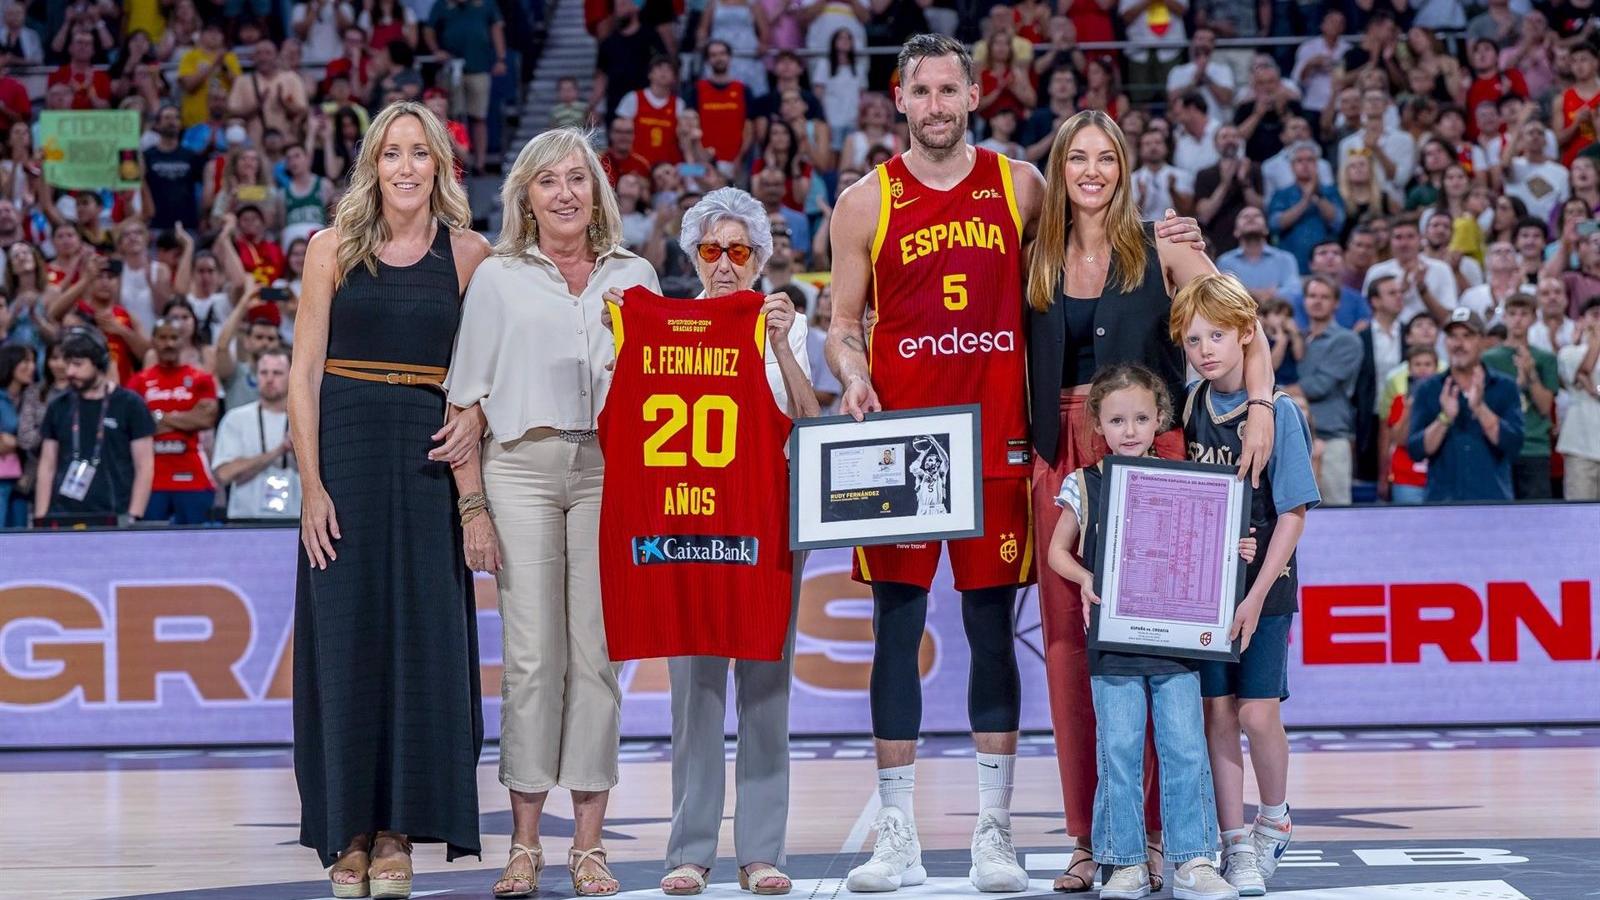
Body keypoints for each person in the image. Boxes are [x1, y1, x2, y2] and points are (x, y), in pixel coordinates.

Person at [1021, 108, 1272, 895]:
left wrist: (1261, 406)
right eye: (1077, 158)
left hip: (1150, 453)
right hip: (1057, 455)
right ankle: (1090, 841)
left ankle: (1166, 838)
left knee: (1163, 650)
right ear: (1059, 167)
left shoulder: (1166, 247)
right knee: (1069, 650)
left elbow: (1243, 327)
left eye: (1106, 157)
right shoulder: (1033, 257)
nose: (1091, 171)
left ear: (1125, 167)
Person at [825, 34, 1047, 895]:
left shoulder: (1020, 186)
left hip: (997, 440)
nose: (938, 104)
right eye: (923, 90)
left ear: (973, 95)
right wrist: (851, 376)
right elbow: (845, 326)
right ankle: (898, 837)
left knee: (992, 633)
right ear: (900, 98)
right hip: (901, 446)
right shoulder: (863, 202)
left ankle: (993, 835)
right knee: (895, 630)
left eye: (950, 89)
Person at [441, 128, 658, 900]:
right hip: (520, 470)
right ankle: (526, 844)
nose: (565, 193)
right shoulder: (497, 278)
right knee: (533, 661)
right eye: (547, 181)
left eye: (577, 178)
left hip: (610, 472)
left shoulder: (637, 275)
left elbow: (666, 384)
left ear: (598, 191)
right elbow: (462, 402)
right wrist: (473, 506)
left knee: (598, 658)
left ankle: (590, 847)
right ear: (524, 199)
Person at [287, 100, 494, 898]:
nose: (405, 167)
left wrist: (472, 412)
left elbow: (484, 365)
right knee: (346, 645)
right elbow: (303, 374)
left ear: (439, 165)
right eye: (390, 153)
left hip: (427, 465)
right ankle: (350, 831)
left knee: (421, 644)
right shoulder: (330, 248)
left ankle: (400, 829)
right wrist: (311, 486)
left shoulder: (472, 254)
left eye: (419, 153)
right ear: (372, 166)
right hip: (345, 458)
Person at [613, 187, 816, 899]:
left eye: (738, 251)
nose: (725, 265)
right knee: (693, 692)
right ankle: (690, 850)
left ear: (760, 258)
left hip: (768, 521)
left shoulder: (782, 321)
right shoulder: (664, 323)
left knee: (766, 685)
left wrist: (779, 343)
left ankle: (762, 851)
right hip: (692, 523)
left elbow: (809, 417)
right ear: (692, 255)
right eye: (710, 250)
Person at [1048, 363, 1247, 900]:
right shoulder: (1083, 484)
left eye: (1140, 418)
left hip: (1176, 640)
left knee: (1184, 746)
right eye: (1117, 420)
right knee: (1119, 748)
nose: (1130, 430)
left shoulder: (1185, 479)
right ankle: (1123, 862)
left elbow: (1212, 545)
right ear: (1098, 425)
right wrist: (1087, 577)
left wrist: (1236, 550)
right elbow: (1055, 553)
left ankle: (1193, 860)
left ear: (1160, 418)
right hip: (1113, 643)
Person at [1171, 274, 1319, 898]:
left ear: (1246, 337)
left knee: (1259, 714)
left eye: (1218, 336)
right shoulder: (1186, 406)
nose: (1205, 348)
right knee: (1217, 713)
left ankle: (1274, 817)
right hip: (1207, 589)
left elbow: (1293, 513)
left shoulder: (1279, 411)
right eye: (1194, 338)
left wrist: (1256, 596)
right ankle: (1236, 846)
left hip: (1266, 590)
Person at [33, 328, 155, 524]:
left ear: (100, 364)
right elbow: (47, 465)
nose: (70, 372)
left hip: (114, 514)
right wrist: (41, 517)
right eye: (68, 364)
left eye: (78, 364)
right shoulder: (58, 406)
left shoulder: (130, 405)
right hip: (63, 514)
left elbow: (145, 466)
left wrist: (133, 515)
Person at [1407, 307, 1525, 502]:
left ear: (1482, 341)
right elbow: (1416, 451)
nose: (1459, 344)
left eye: (1467, 336)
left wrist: (1480, 409)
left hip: (1492, 501)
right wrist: (1444, 418)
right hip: (1443, 503)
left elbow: (1513, 444)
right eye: (1452, 336)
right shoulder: (1428, 389)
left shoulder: (1504, 387)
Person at [125, 317, 219, 524]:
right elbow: (132, 426)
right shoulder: (138, 381)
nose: (169, 344)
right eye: (163, 338)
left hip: (193, 478)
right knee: (150, 548)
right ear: (154, 341)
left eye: (174, 338)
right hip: (151, 482)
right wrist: (185, 417)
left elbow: (206, 419)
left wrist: (157, 417)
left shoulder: (201, 379)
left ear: (183, 341)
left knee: (199, 548)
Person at [1290, 275, 1362, 505]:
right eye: (1312, 296)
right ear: (1304, 301)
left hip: (1331, 438)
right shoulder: (1297, 339)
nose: (1317, 301)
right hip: (1293, 440)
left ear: (1336, 303)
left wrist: (1268, 391)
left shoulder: (1347, 340)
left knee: (1337, 513)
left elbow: (1318, 386)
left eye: (1324, 297)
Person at [1481, 292, 1559, 499]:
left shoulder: (1546, 359)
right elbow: (1485, 403)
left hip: (1534, 446)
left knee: (1537, 520)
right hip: (1497, 447)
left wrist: (1531, 374)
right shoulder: (1488, 359)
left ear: (1534, 318)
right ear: (1504, 317)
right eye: (1512, 313)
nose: (1517, 319)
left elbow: (1545, 408)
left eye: (1524, 314)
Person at [212, 347, 299, 520]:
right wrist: (278, 451)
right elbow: (224, 474)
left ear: (292, 376)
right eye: (263, 372)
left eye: (277, 373)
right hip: (245, 519)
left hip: (295, 518)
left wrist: (298, 451)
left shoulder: (306, 420)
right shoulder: (235, 419)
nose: (269, 379)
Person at [1557, 299, 1600, 500]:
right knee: (1579, 515)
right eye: (1596, 315)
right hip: (1581, 448)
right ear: (1581, 321)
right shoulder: (1568, 353)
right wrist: (1596, 340)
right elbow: (1584, 370)